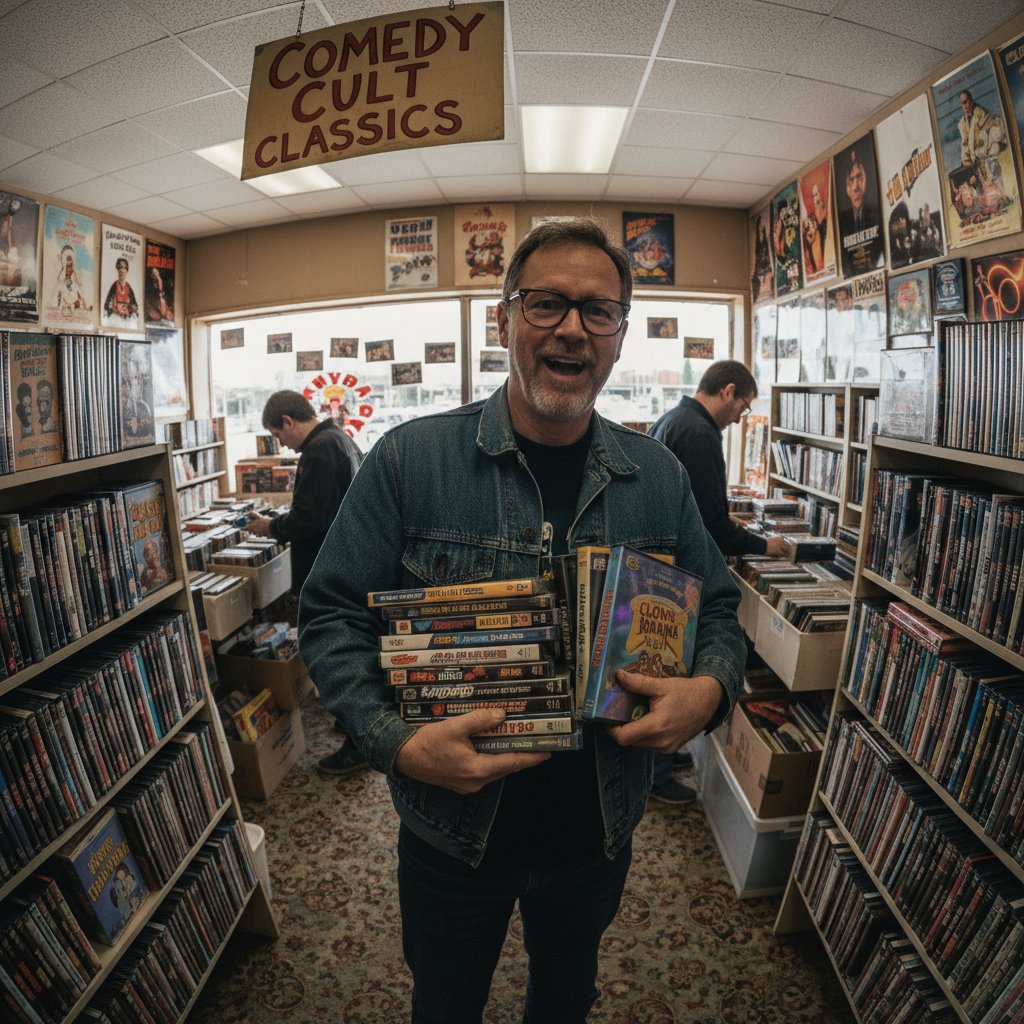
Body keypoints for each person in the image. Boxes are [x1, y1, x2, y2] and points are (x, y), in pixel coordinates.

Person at [298, 219, 746, 1024]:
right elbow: (330, 615)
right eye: (546, 303)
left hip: (596, 833)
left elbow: (716, 605)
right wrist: (393, 741)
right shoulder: (408, 460)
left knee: (566, 998)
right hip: (448, 832)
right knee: (444, 1003)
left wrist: (709, 689)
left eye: (598, 311)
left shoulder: (660, 475)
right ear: (502, 319)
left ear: (619, 337)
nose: (572, 328)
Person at [647, 361, 788, 801]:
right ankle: (656, 774)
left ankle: (662, 758)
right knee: (667, 664)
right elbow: (710, 525)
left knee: (658, 660)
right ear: (727, 391)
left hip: (659, 564)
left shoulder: (675, 418)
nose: (740, 418)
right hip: (678, 571)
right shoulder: (700, 433)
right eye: (743, 406)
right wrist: (765, 546)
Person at [246, 390, 366, 776]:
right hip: (346, 567)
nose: (283, 444)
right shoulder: (339, 438)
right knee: (348, 651)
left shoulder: (319, 449)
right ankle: (354, 724)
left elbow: (310, 519)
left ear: (288, 421)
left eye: (278, 435)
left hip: (329, 573)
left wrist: (271, 527)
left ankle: (361, 742)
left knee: (335, 655)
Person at [837, 148, 883, 274]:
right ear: (846, 187)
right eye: (850, 180)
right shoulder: (841, 222)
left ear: (867, 178)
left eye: (859, 177)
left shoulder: (878, 215)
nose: (855, 187)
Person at [103, 256, 139, 322]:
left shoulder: (129, 287)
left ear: (126, 270)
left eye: (124, 268)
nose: (121, 270)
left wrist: (131, 308)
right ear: (117, 269)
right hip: (115, 319)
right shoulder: (114, 286)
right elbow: (107, 306)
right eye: (119, 268)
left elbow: (135, 306)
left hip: (127, 320)